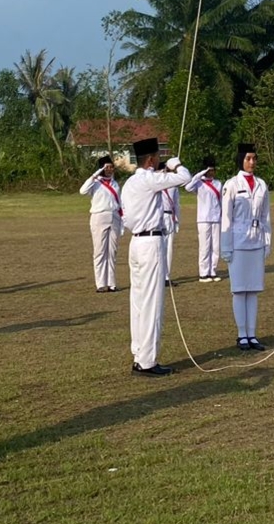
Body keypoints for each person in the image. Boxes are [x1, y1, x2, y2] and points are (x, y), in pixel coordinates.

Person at [120, 139, 190, 376]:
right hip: (150, 242)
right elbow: (185, 178)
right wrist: (176, 164)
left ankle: (139, 352)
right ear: (150, 159)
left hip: (136, 242)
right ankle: (147, 360)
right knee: (152, 303)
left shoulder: (129, 183)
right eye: (158, 157)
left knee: (138, 301)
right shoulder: (149, 179)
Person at [221, 143, 271, 351]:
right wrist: (226, 247)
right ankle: (242, 333)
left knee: (253, 290)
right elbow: (225, 217)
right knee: (240, 291)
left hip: (256, 241)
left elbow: (266, 216)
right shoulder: (231, 184)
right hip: (238, 242)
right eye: (248, 158)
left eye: (254, 158)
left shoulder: (261, 184)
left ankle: (252, 333)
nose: (252, 162)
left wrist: (267, 242)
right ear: (241, 159)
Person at [79, 155, 123, 292]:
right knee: (99, 251)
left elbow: (120, 203)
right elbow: (83, 190)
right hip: (99, 217)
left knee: (112, 251)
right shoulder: (95, 182)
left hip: (114, 216)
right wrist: (97, 173)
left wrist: (122, 222)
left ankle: (111, 282)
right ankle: (100, 284)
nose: (110, 170)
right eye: (107, 167)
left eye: (111, 167)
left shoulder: (115, 184)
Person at [186, 155, 222, 282]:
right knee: (205, 246)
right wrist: (201, 174)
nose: (212, 172)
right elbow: (188, 187)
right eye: (209, 170)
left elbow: (221, 201)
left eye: (213, 170)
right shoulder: (199, 183)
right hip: (203, 218)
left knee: (216, 246)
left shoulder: (218, 183)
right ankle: (203, 273)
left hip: (216, 217)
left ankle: (213, 271)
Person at [158, 163, 180, 287]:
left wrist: (177, 219)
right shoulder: (154, 183)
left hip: (170, 216)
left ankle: (166, 276)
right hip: (159, 217)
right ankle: (158, 276)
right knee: (159, 247)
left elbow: (176, 203)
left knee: (169, 248)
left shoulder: (172, 184)